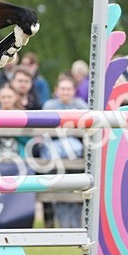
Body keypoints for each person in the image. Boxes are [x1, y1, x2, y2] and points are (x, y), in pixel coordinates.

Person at [38, 76, 89, 228]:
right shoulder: (49, 105)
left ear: (74, 91)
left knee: (74, 190)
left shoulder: (80, 105)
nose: (65, 92)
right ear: (56, 91)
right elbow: (46, 131)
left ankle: (75, 226)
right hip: (54, 148)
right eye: (63, 89)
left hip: (75, 151)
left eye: (68, 89)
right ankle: (57, 224)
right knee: (56, 191)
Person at [0, 86, 30, 159]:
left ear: (15, 97)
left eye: (9, 97)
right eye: (3, 97)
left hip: (18, 155)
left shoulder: (23, 115)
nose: (6, 100)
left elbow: (28, 139)